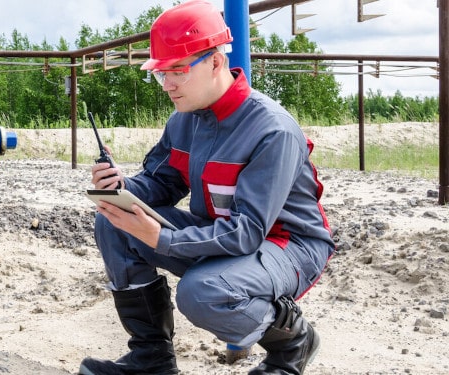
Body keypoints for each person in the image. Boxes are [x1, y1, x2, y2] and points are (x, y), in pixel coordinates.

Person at [79, 1, 335, 374]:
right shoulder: (185, 120)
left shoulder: (270, 130)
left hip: (288, 244)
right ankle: (152, 362)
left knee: (202, 292)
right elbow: (162, 183)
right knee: (114, 221)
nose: (168, 85)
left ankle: (293, 344)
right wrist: (122, 186)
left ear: (216, 62)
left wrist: (161, 239)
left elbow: (248, 231)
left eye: (178, 71)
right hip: (227, 236)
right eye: (161, 73)